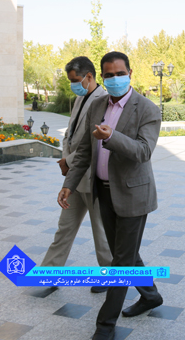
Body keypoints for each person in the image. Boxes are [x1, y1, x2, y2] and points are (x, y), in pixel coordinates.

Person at [57, 51, 163, 340]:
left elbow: (143, 151)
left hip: (133, 196)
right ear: (102, 77)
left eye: (120, 74)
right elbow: (84, 150)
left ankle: (105, 325)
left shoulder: (148, 109)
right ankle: (151, 295)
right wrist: (69, 183)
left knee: (121, 262)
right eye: (109, 75)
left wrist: (111, 137)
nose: (115, 79)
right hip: (102, 193)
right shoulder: (97, 105)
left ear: (130, 73)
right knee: (124, 253)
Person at [42, 56, 111, 294]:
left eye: (75, 80)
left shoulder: (104, 101)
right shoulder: (80, 98)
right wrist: (65, 159)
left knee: (101, 232)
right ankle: (49, 273)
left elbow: (93, 142)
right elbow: (69, 134)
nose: (73, 84)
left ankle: (110, 277)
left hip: (93, 177)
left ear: (89, 76)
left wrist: (68, 161)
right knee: (64, 227)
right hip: (74, 178)